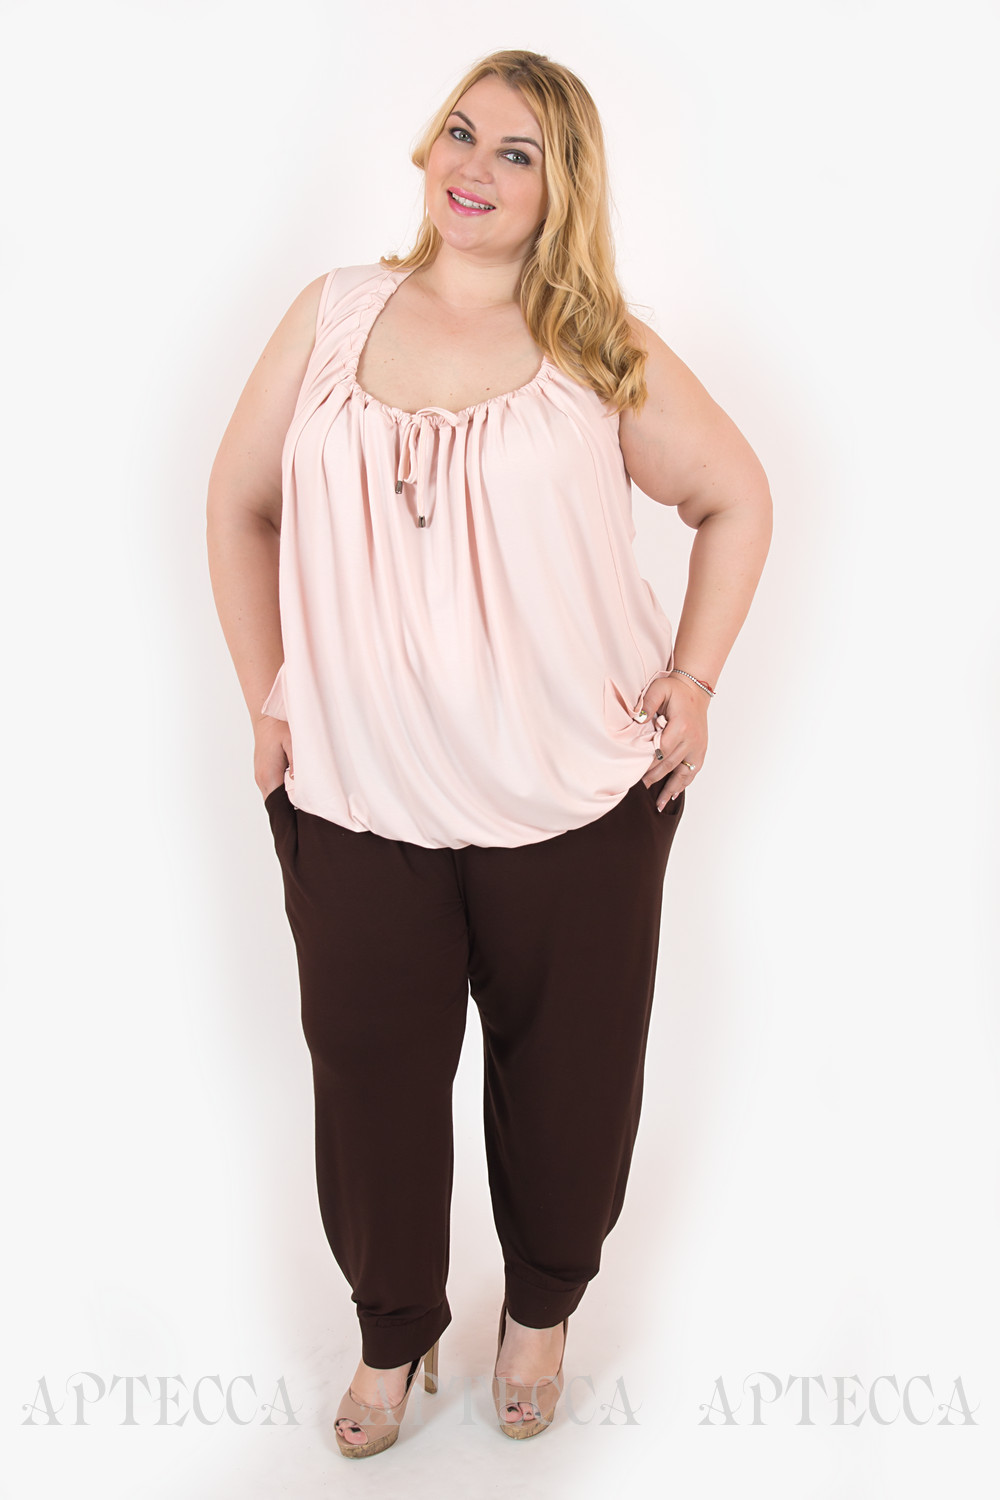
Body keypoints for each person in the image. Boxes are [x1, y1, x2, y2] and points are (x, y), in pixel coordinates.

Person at [207, 49, 772, 1458]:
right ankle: (393, 1328)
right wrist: (267, 697)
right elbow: (237, 503)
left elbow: (735, 494)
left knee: (572, 1083)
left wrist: (695, 679)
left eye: (518, 152)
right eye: (462, 132)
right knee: (369, 1083)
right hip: (358, 797)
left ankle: (540, 1311)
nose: (475, 166)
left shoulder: (595, 342)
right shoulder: (332, 316)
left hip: (575, 798)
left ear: (561, 188)